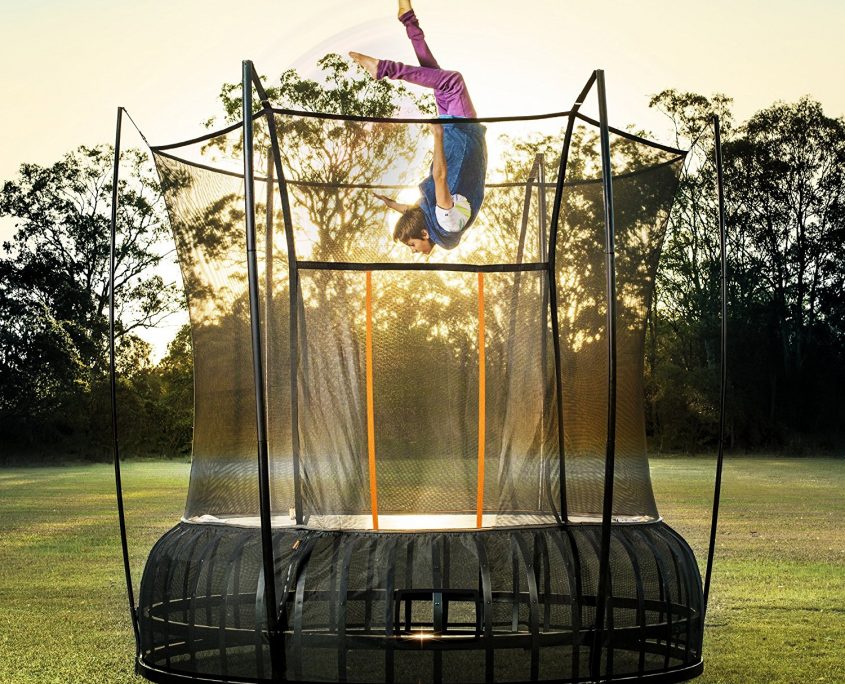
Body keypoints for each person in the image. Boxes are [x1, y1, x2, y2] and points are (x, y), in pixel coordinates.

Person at [350, 1, 487, 254]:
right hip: (461, 137)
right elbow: (440, 177)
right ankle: (383, 69)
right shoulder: (446, 222)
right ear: (425, 234)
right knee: (452, 82)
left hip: (460, 137)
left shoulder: (433, 222)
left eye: (409, 246)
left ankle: (408, 20)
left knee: (436, 76)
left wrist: (390, 204)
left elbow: (413, 211)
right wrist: (436, 135)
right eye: (413, 245)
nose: (413, 251)